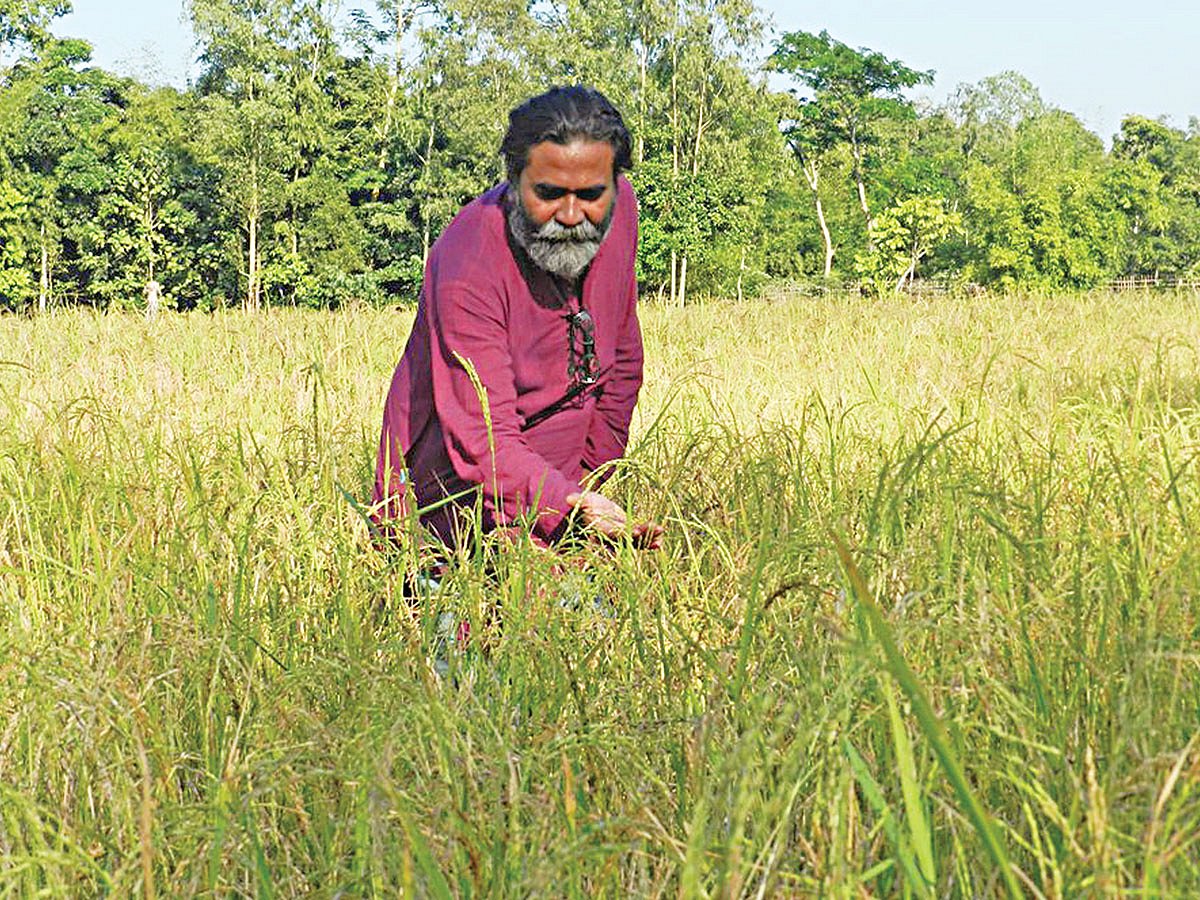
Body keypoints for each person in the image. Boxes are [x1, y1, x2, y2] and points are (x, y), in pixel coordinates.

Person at [373, 86, 662, 554]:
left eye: (591, 194)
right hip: (451, 512)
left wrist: (584, 495)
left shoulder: (622, 212)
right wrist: (568, 506)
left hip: (564, 500)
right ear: (513, 180)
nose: (571, 216)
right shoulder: (469, 262)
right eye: (548, 193)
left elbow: (622, 365)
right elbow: (481, 441)